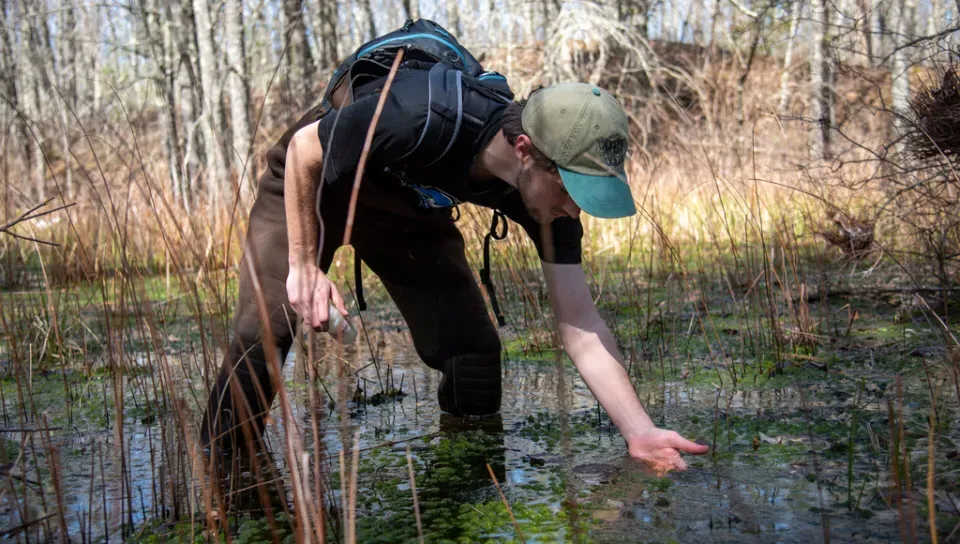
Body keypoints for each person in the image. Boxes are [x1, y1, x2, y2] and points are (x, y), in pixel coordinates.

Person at [201, 29, 708, 475]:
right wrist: (303, 266)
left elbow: (581, 324)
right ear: (527, 150)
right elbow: (304, 151)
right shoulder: (417, 116)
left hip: (409, 210)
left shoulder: (551, 207)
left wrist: (640, 432)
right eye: (573, 193)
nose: (575, 212)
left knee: (474, 357)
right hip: (314, 188)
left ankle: (462, 493)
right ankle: (223, 481)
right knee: (263, 337)